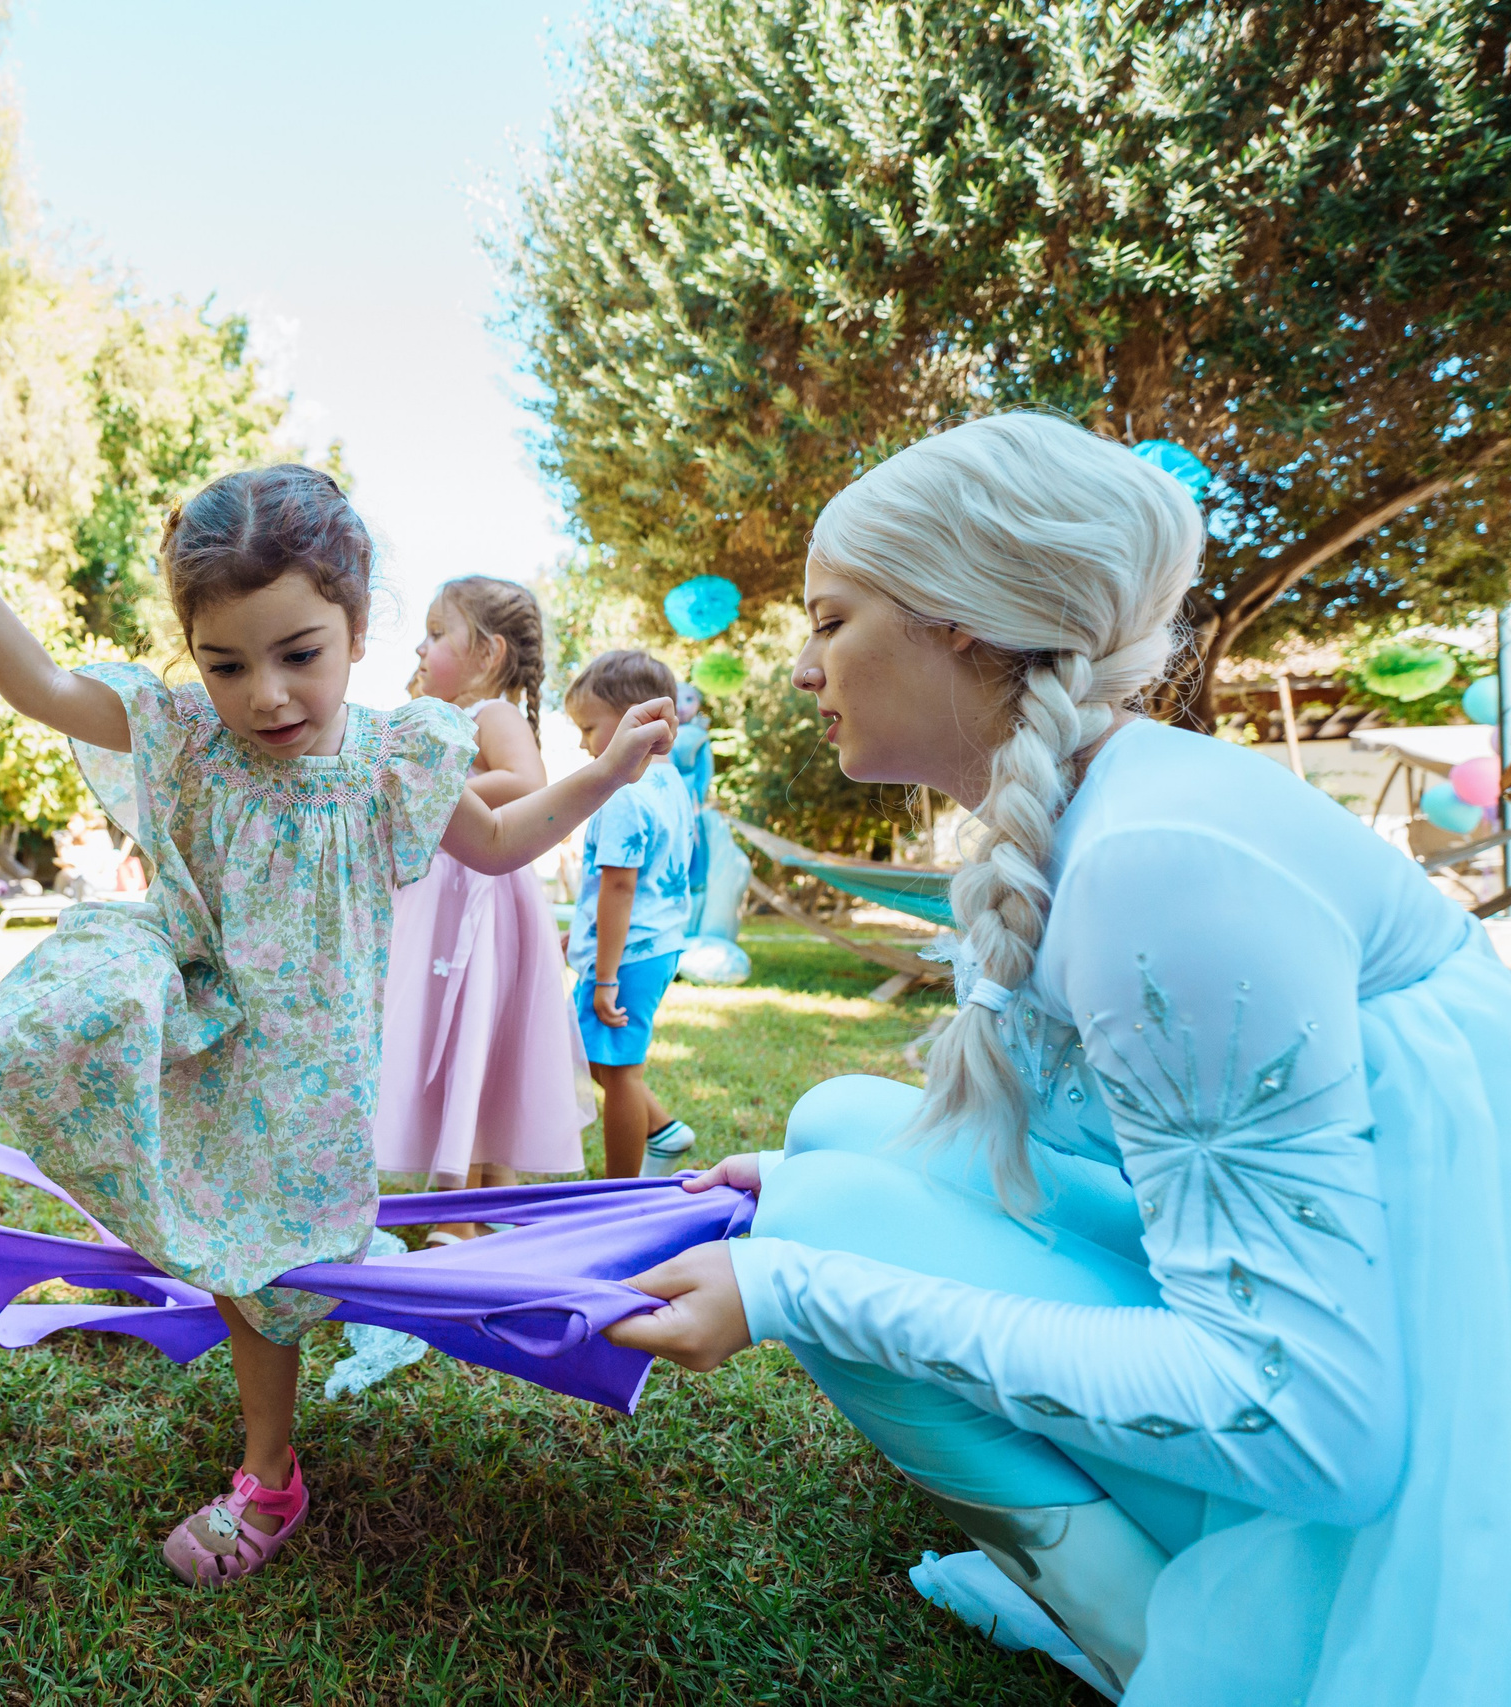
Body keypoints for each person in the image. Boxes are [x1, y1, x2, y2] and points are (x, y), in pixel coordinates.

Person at [604, 410, 1511, 1704]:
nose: (805, 670)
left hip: (1417, 1417)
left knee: (829, 1220)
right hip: (1372, 1297)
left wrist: (797, 1291)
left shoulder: (1159, 862)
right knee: (834, 1132)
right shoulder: (1111, 803)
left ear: (957, 620)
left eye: (829, 618)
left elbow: (1319, 1432)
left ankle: (1176, 1644)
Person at [0, 446, 678, 1587]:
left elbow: (500, 840)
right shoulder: (187, 733)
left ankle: (269, 1476)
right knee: (94, 963)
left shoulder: (395, 757)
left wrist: (606, 776)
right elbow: (37, 685)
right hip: (179, 978)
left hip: (299, 1069)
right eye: (225, 664)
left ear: (357, 627)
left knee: (261, 1277)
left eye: (298, 655)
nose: (264, 695)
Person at [373, 577, 593, 1244]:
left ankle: (458, 1214)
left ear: (488, 653)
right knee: (457, 1038)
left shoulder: (490, 715)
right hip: (447, 899)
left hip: (478, 898)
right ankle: (493, 1195)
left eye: (438, 633)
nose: (420, 644)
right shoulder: (447, 719)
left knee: (469, 1039)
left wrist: (437, 786)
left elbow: (528, 783)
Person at [563, 650, 701, 1178]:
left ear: (631, 720)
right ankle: (664, 1132)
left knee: (619, 1073)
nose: (581, 742)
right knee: (604, 1060)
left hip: (628, 955)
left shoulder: (624, 792)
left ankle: (618, 1193)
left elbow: (619, 888)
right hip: (656, 944)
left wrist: (604, 975)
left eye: (588, 727)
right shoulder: (672, 783)